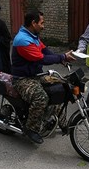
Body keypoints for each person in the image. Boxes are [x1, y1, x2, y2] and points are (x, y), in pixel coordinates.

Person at [11, 10, 75, 144]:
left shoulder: (33, 35)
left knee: (61, 86)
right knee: (41, 98)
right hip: (23, 79)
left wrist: (61, 59)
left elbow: (45, 50)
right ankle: (31, 129)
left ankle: (62, 123)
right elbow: (41, 58)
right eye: (42, 23)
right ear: (33, 23)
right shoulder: (22, 39)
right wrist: (62, 57)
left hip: (36, 75)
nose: (43, 26)